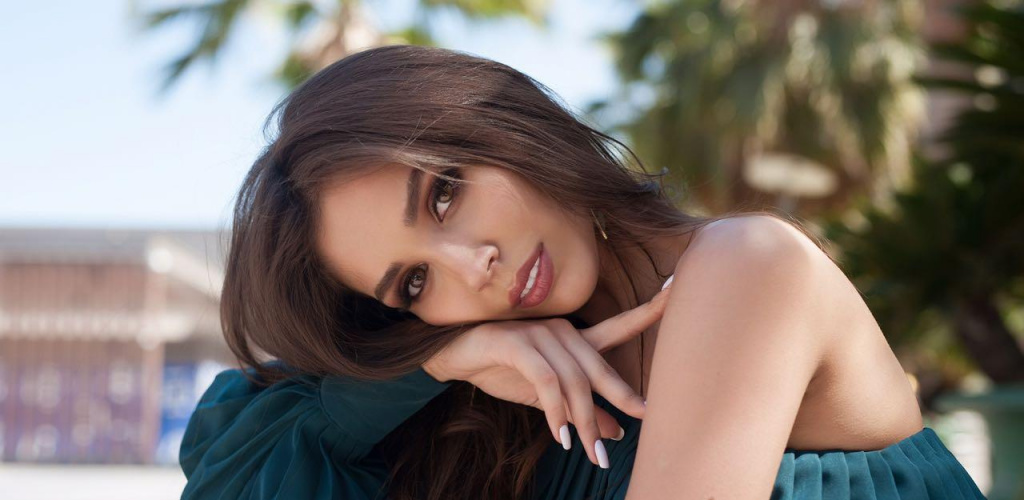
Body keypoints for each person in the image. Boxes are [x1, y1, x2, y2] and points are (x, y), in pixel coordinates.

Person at [179, 44, 987, 499]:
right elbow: (239, 477)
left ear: (503, 127)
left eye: (445, 194)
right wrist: (433, 364)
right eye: (414, 283)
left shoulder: (749, 268)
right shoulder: (493, 398)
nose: (472, 268)